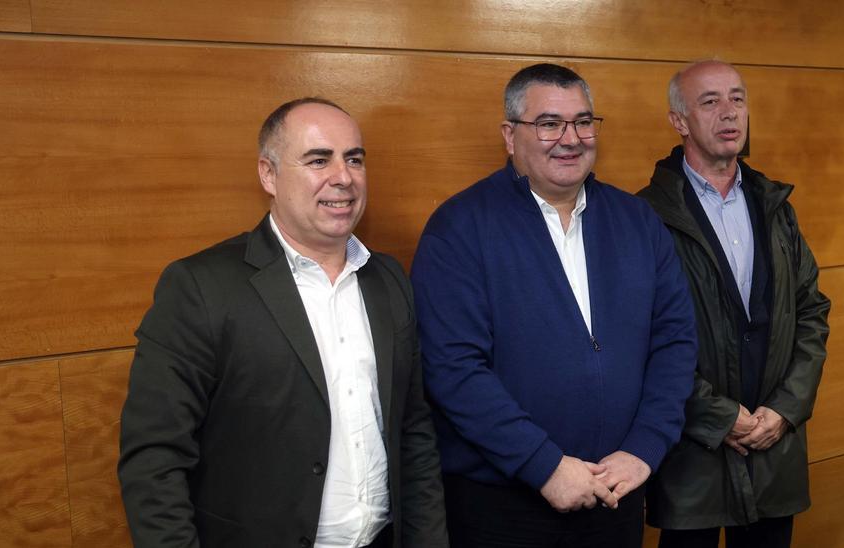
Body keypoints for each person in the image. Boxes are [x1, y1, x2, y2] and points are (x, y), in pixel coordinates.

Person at [118, 97, 447, 548]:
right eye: (318, 160)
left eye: (354, 159)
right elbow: (154, 461)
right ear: (268, 175)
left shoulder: (388, 279)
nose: (344, 177)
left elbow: (413, 431)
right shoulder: (201, 287)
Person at [409, 63, 697, 548]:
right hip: (502, 506)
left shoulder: (638, 221)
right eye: (549, 124)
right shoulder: (459, 228)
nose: (571, 139)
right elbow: (452, 368)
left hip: (617, 493)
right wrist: (542, 465)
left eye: (583, 122)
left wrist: (645, 448)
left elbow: (675, 342)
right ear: (510, 136)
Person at [636, 60, 831, 548]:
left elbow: (811, 312)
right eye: (710, 101)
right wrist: (718, 417)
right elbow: (637, 338)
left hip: (773, 446)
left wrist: (785, 409)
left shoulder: (775, 206)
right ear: (679, 121)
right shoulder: (644, 216)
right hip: (692, 456)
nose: (729, 112)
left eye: (737, 99)